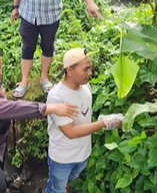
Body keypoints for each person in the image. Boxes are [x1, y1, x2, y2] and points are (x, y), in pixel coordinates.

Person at [0, 45, 79, 193]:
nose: (0, 73)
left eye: (0, 68)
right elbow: (11, 109)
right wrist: (49, 108)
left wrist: (1, 93)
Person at [11, 0, 102, 98]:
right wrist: (15, 7)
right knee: (28, 47)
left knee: (48, 46)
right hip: (28, 13)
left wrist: (89, 2)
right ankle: (24, 80)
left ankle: (44, 77)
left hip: (50, 15)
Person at [45, 48, 123, 193]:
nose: (90, 73)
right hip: (62, 158)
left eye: (90, 69)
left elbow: (84, 115)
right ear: (69, 71)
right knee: (56, 188)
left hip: (83, 153)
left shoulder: (85, 87)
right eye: (85, 69)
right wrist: (104, 123)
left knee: (70, 181)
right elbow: (71, 132)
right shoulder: (57, 96)